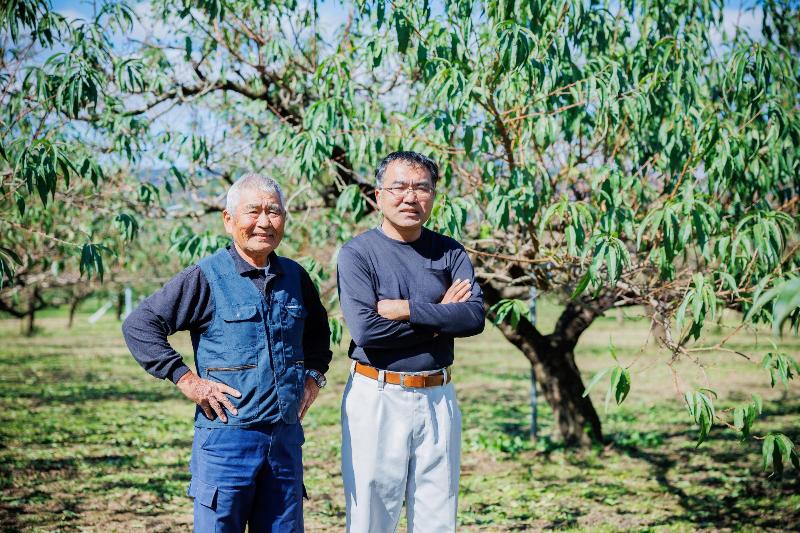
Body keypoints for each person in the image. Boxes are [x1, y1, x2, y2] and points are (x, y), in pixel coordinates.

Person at [122, 173, 331, 532]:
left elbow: (318, 337)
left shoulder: (296, 278)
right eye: (254, 211)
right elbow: (140, 324)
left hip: (284, 441)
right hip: (226, 442)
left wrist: (313, 377)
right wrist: (186, 380)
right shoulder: (206, 276)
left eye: (274, 211)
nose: (264, 222)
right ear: (228, 219)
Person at [337, 151, 485, 532]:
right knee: (372, 511)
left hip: (438, 395)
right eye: (399, 187)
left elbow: (472, 317)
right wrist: (439, 317)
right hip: (377, 394)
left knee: (439, 510)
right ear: (378, 195)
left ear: (433, 196)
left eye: (422, 188)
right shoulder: (358, 254)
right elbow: (368, 332)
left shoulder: (449, 251)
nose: (410, 197)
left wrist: (407, 309)